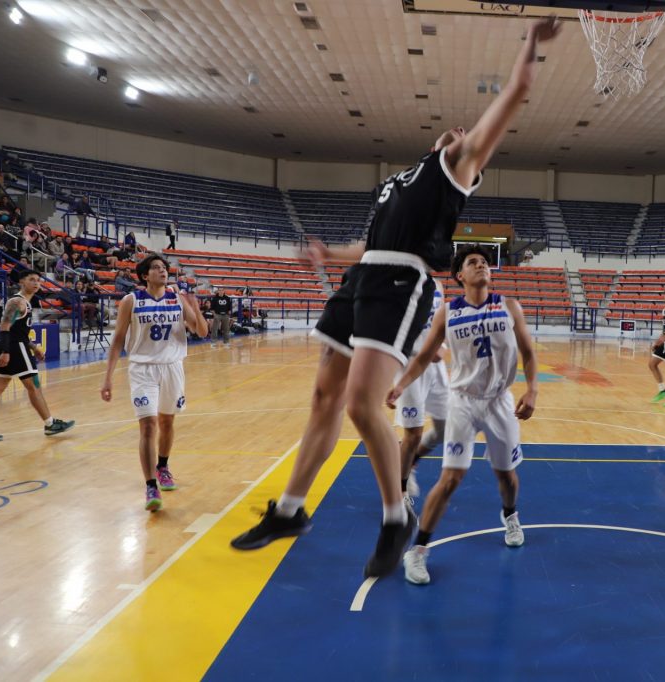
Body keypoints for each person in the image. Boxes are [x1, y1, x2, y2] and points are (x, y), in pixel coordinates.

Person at [228, 16, 561, 579]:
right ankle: (289, 509)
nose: (459, 131)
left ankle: (394, 517)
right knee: (324, 397)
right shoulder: (403, 180)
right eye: (452, 133)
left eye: (465, 136)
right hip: (362, 278)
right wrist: (329, 254)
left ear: (470, 167)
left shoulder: (454, 169)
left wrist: (529, 44)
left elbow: (516, 93)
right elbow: (372, 244)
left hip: (402, 283)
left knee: (361, 405)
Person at [386, 246, 538, 585]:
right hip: (463, 402)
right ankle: (417, 551)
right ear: (460, 276)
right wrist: (400, 386)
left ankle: (510, 515)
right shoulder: (448, 312)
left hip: (500, 401)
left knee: (507, 477)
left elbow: (528, 352)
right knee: (451, 478)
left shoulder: (509, 306)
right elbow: (423, 356)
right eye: (473, 262)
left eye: (484, 262)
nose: (481, 265)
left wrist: (532, 390)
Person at [100, 254, 208, 511]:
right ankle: (150, 486)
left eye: (164, 267)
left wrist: (195, 308)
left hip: (172, 367)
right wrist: (108, 378)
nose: (163, 271)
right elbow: (118, 340)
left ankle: (163, 466)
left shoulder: (177, 299)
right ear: (144, 275)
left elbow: (202, 332)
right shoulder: (131, 300)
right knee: (148, 425)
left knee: (167, 422)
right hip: (142, 369)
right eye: (156, 268)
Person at [0, 269, 75, 442]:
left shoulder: (25, 303)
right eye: (32, 279)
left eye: (38, 280)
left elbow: (18, 331)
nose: (36, 283)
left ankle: (50, 423)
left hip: (12, 346)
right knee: (34, 387)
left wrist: (34, 347)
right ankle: (50, 424)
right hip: (14, 349)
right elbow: (4, 328)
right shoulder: (17, 302)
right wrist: (6, 351)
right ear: (21, 282)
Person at [393, 277, 448, 503]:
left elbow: (440, 321)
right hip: (409, 364)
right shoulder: (396, 282)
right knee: (413, 433)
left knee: (446, 429)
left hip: (436, 367)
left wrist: (441, 345)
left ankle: (411, 460)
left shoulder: (437, 284)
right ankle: (401, 490)